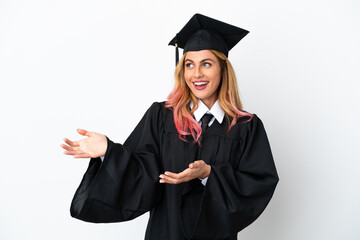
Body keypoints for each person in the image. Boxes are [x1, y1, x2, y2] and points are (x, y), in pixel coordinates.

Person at [61, 13, 279, 240]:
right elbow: (141, 171)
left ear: (223, 69)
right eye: (189, 65)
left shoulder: (246, 127)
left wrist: (209, 174)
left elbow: (257, 184)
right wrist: (110, 151)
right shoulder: (161, 116)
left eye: (207, 64)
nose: (197, 74)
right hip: (165, 233)